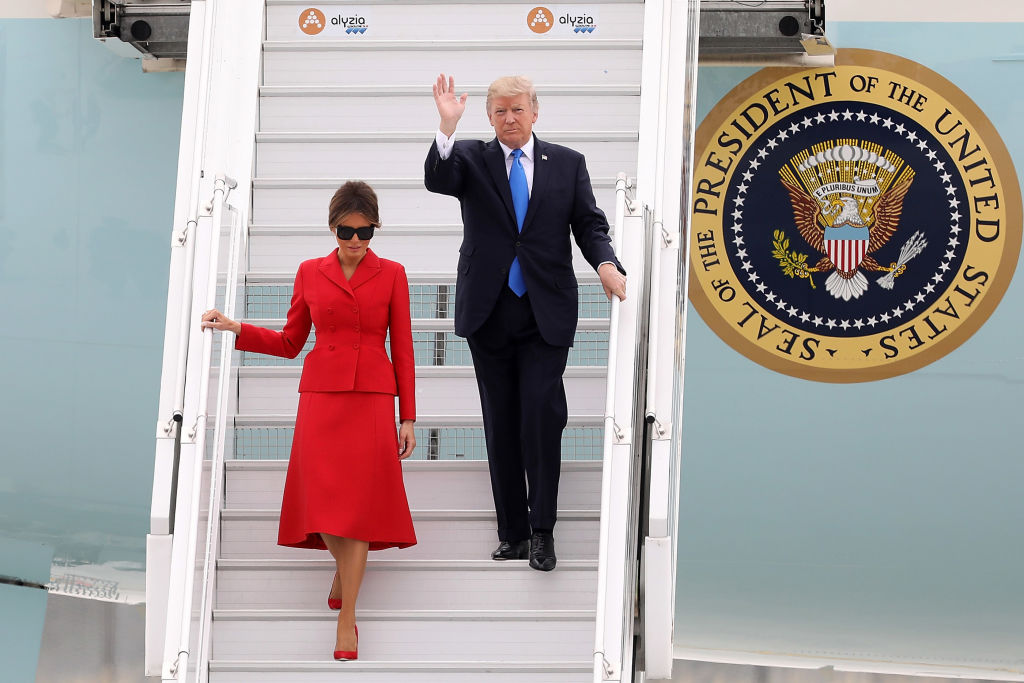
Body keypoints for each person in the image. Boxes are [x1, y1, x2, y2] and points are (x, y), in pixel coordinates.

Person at [200, 180, 416, 661]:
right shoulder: (309, 272)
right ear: (332, 227)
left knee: (358, 507)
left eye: (365, 232)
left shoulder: (394, 274)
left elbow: (403, 347)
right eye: (346, 231)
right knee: (324, 500)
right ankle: (343, 568)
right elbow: (290, 342)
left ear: (375, 229)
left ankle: (347, 617)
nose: (356, 241)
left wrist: (409, 417)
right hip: (321, 397)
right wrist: (237, 327)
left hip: (372, 398)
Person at [424, 74, 626, 572]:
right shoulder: (470, 158)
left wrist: (605, 263)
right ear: (489, 117)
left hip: (544, 310)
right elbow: (438, 180)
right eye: (499, 112)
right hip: (489, 310)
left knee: (540, 415)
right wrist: (446, 127)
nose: (509, 119)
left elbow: (589, 224)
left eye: (517, 109)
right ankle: (512, 533)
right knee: (501, 423)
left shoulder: (568, 164)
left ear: (535, 111)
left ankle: (542, 531)